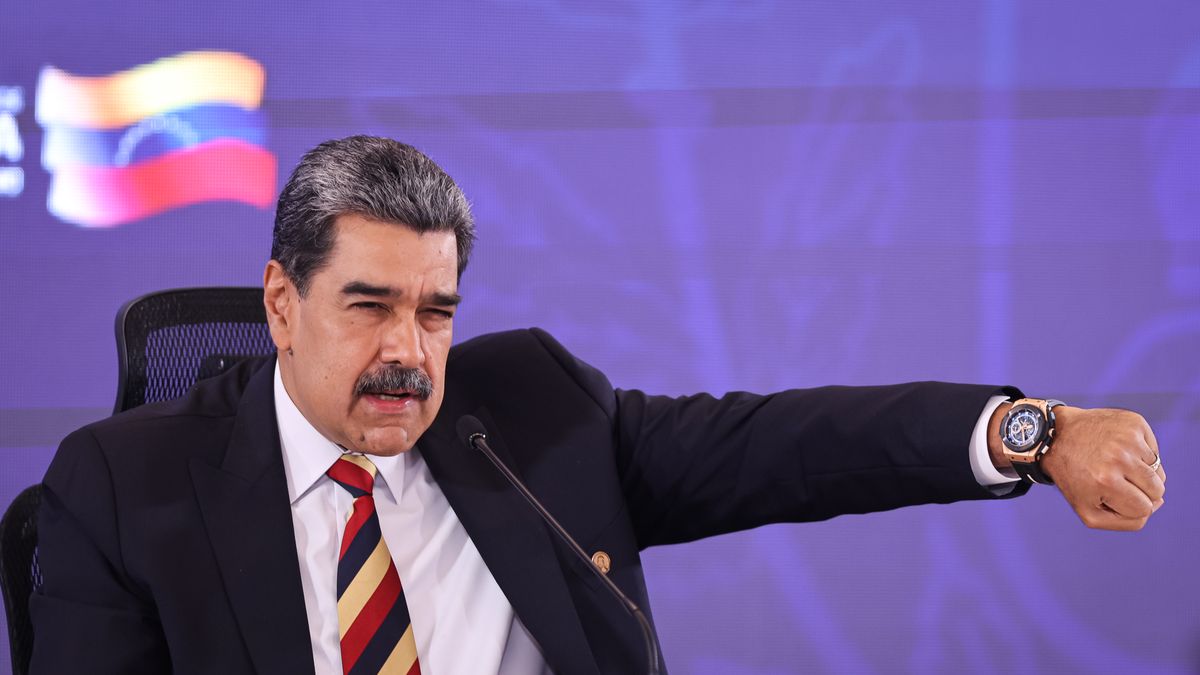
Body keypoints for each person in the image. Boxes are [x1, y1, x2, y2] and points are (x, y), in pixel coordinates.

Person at [30, 136, 1167, 675]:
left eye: (435, 312)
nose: (406, 354)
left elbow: (792, 447)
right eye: (367, 307)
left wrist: (1035, 431)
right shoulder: (125, 486)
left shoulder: (528, 412)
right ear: (282, 304)